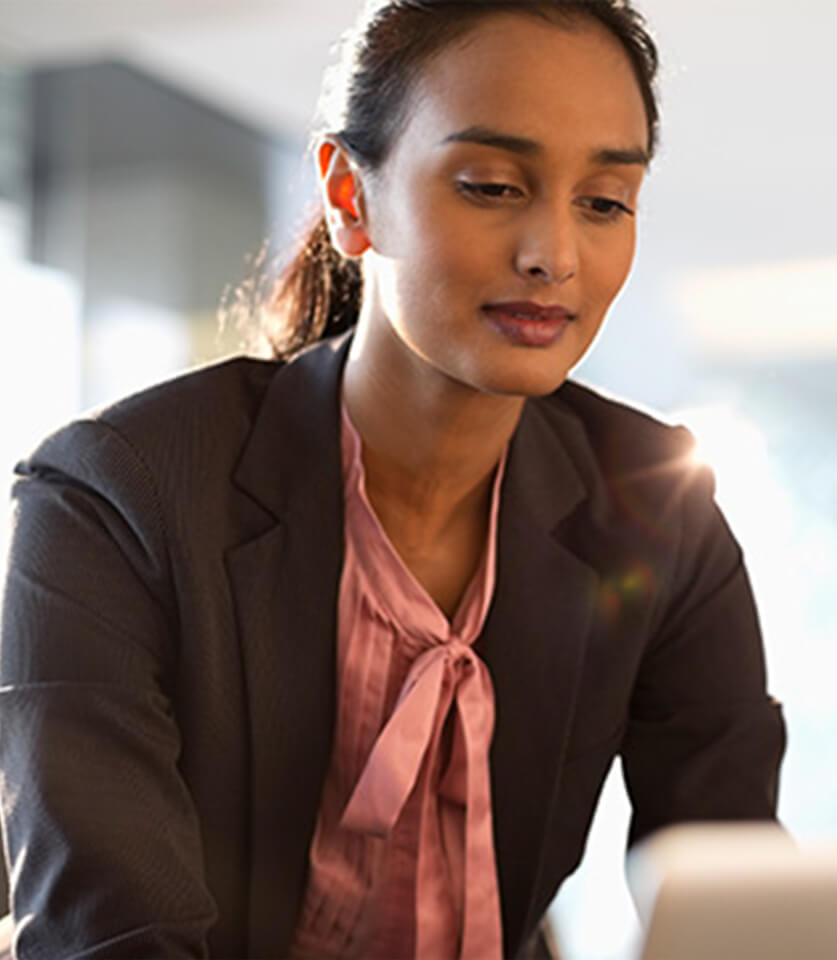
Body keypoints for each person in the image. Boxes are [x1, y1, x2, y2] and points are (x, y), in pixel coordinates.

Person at [0, 1, 785, 957]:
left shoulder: (662, 514)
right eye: (493, 185)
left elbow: (739, 899)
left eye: (605, 201)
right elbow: (110, 934)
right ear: (349, 194)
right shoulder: (114, 499)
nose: (554, 255)